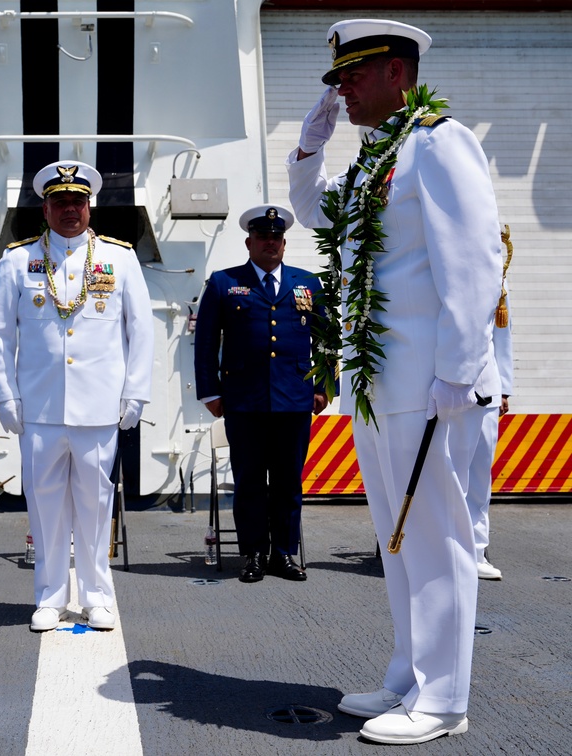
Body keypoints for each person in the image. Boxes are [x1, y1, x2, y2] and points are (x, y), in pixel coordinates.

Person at [287, 20, 502, 745]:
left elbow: (474, 263)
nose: (341, 90)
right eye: (337, 80)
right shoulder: (376, 159)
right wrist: (310, 145)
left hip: (429, 386)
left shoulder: (440, 143)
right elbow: (314, 212)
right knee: (398, 539)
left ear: (398, 76)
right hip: (378, 387)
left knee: (437, 539)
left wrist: (459, 371)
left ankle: (444, 700)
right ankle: (409, 674)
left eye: (353, 76)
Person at [0, 160, 154, 632]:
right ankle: (49, 597)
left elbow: (141, 331)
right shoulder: (17, 260)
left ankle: (97, 595)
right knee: (44, 508)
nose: (69, 210)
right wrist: (5, 395)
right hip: (39, 409)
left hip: (99, 407)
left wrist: (135, 392)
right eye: (60, 202)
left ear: (89, 205)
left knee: (97, 508)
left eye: (77, 201)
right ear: (45, 208)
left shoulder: (120, 258)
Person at [193, 205, 328, 583]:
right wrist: (210, 394)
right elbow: (205, 345)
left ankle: (283, 554)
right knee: (250, 481)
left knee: (288, 482)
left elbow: (327, 343)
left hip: (294, 400)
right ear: (249, 242)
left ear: (284, 243)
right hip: (244, 401)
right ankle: (252, 554)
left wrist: (323, 389)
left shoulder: (307, 284)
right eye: (263, 237)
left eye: (276, 237)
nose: (270, 243)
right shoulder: (224, 282)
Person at [470, 251, 514, 580]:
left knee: (479, 469)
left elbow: (502, 333)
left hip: (484, 383)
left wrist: (505, 387)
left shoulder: (496, 277)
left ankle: (476, 547)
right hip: (435, 384)